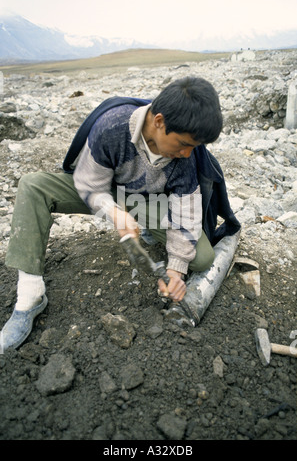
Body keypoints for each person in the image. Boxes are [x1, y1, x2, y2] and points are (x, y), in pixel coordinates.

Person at [0, 76, 240, 353]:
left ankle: (148, 229)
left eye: (193, 147)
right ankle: (30, 296)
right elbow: (89, 184)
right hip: (105, 191)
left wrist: (175, 269)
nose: (188, 154)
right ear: (159, 122)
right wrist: (114, 212)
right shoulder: (112, 127)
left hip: (145, 201)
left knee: (201, 257)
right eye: (183, 144)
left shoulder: (185, 158)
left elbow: (186, 213)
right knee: (33, 186)